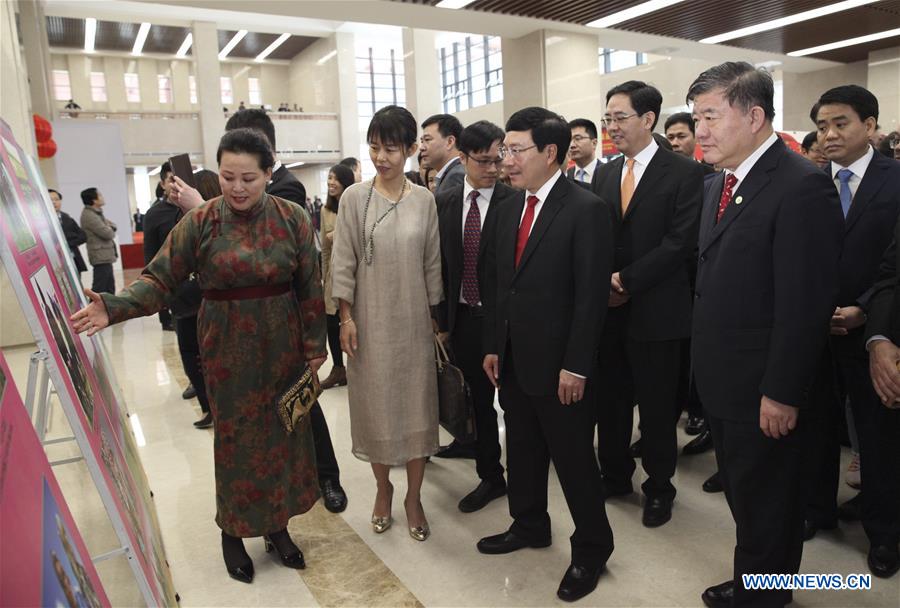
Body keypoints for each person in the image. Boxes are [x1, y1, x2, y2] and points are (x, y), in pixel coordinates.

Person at [70, 128, 326, 585]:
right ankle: (232, 532)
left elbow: (310, 286)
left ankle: (277, 527)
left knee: (281, 439)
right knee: (234, 443)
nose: (237, 187)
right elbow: (159, 280)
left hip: (282, 348)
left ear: (269, 173)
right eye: (228, 176)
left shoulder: (292, 218)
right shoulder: (201, 221)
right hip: (227, 351)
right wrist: (113, 307)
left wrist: (314, 348)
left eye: (248, 177)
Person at [687, 62, 843, 608]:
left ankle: (764, 596)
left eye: (710, 115)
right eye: (695, 116)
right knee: (747, 499)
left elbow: (804, 305)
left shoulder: (801, 186)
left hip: (763, 388)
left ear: (755, 116)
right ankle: (760, 583)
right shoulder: (718, 183)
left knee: (769, 505)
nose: (700, 129)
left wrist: (781, 391)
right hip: (724, 380)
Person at [478, 107, 614, 603]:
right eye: (504, 151)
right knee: (525, 451)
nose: (505, 160)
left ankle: (593, 548)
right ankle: (530, 523)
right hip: (514, 357)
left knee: (575, 461)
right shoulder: (510, 206)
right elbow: (499, 284)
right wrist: (494, 344)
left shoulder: (585, 209)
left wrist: (575, 365)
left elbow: (590, 297)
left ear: (550, 153)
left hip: (562, 368)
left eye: (516, 150)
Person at [593, 81, 704, 529]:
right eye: (608, 119)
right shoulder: (605, 172)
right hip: (609, 311)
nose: (611, 127)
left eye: (619, 118)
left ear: (648, 119)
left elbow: (680, 243)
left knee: (658, 410)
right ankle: (615, 475)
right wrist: (604, 280)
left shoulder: (684, 173)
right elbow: (598, 236)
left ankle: (659, 486)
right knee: (612, 403)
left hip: (658, 312)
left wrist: (627, 280)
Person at [225, 108, 347, 514]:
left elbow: (296, 273)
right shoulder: (219, 209)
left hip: (288, 326)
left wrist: (314, 342)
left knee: (304, 407)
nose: (239, 184)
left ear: (268, 154)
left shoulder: (289, 192)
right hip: (243, 334)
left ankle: (328, 479)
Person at [330, 105, 443, 542]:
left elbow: (432, 264)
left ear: (412, 150)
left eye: (391, 149)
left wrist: (438, 323)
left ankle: (414, 497)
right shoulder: (355, 198)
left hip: (413, 323)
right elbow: (342, 263)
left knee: (416, 409)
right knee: (375, 410)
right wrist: (346, 317)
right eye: (374, 147)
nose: (381, 157)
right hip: (368, 324)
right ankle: (383, 489)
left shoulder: (425, 201)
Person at [804, 85, 900, 577]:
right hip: (816, 332)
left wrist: (863, 310)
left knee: (878, 440)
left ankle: (885, 535)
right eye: (822, 125)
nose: (830, 134)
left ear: (870, 125)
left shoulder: (896, 180)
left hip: (874, 330)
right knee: (816, 428)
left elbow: (896, 265)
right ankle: (817, 510)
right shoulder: (811, 181)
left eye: (840, 123)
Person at [434, 120, 515, 510]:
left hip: (506, 320)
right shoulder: (446, 202)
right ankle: (490, 476)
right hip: (465, 318)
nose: (493, 169)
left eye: (498, 159)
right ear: (462, 157)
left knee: (515, 403)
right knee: (479, 403)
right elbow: (440, 269)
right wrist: (441, 322)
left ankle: (526, 473)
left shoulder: (513, 201)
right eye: (483, 161)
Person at [166, 169, 218, 429]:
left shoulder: (214, 221)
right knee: (193, 357)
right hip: (188, 302)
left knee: (199, 358)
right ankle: (209, 408)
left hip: (202, 303)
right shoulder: (182, 218)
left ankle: (212, 408)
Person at [319, 163, 355, 390]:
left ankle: (357, 368)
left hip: (353, 274)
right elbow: (325, 248)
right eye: (329, 178)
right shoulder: (326, 210)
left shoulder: (356, 205)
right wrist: (324, 277)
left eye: (335, 178)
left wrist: (337, 233)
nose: (331, 182)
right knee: (331, 322)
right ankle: (338, 368)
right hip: (332, 275)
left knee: (352, 320)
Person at [143, 162, 179, 332]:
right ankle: (165, 320)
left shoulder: (197, 208)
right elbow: (150, 252)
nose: (176, 184)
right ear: (163, 184)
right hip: (168, 274)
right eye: (171, 180)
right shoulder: (154, 214)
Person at [79, 188, 117, 294]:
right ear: (94, 200)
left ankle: (108, 309)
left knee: (109, 288)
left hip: (104, 256)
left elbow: (112, 225)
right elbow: (108, 233)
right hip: (100, 256)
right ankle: (91, 310)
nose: (102, 197)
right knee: (99, 288)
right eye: (100, 195)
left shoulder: (96, 213)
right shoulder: (90, 215)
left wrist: (109, 226)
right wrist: (109, 227)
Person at [420, 114, 465, 199]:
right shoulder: (451, 173)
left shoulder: (456, 175)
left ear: (449, 142)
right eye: (422, 141)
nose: (421, 147)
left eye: (427, 140)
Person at [49, 189, 88, 277]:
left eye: (57, 199)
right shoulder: (40, 220)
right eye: (51, 200)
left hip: (73, 259)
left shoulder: (66, 217)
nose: (54, 202)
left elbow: (83, 236)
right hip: (55, 262)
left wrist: (67, 244)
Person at [565, 118, 601, 189]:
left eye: (578, 139)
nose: (572, 145)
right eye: (569, 140)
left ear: (594, 143)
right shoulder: (565, 176)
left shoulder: (609, 173)